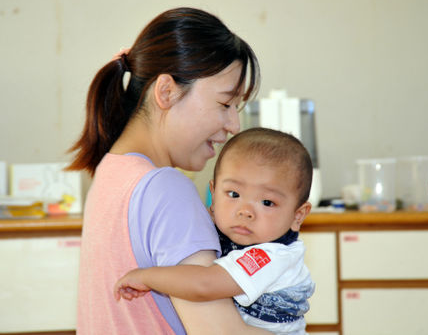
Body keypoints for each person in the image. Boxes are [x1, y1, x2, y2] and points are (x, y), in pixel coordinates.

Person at [66, 7, 268, 335]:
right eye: (225, 104)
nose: (234, 125)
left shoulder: (110, 170)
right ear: (166, 91)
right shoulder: (166, 188)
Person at [114, 127, 316, 335]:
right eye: (233, 194)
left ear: (297, 215)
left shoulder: (272, 256)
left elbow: (204, 284)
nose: (245, 211)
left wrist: (146, 277)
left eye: (267, 202)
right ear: (214, 194)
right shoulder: (231, 231)